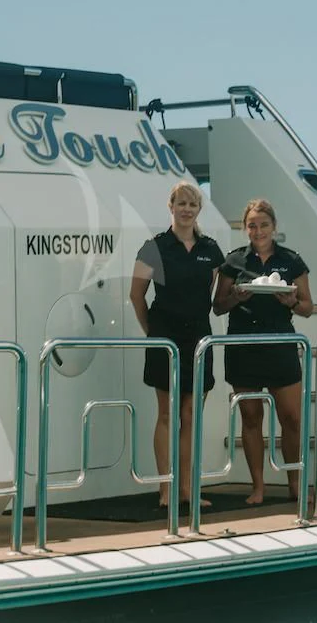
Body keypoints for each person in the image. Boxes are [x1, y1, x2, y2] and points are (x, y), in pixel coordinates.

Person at [130, 181, 225, 508]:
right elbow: (136, 295)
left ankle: (187, 489)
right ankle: (165, 489)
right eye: (181, 203)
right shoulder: (153, 248)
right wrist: (153, 333)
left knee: (190, 414)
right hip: (165, 338)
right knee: (167, 414)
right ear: (170, 206)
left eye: (192, 204)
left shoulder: (211, 249)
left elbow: (210, 295)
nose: (186, 209)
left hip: (198, 338)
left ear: (199, 210)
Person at [213, 199, 313, 504]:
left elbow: (308, 307)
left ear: (274, 227)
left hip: (280, 343)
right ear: (246, 228)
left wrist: (291, 302)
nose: (258, 231)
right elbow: (218, 306)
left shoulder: (292, 260)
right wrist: (237, 297)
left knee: (291, 418)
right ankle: (258, 487)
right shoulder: (233, 261)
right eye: (252, 225)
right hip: (243, 345)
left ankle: (294, 483)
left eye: (264, 225)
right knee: (251, 417)